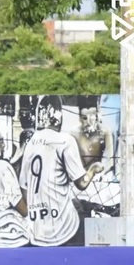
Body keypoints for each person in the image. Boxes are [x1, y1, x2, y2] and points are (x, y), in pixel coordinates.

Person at [19, 95, 103, 247]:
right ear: (59, 116)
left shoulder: (31, 142)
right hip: (63, 229)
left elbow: (24, 188)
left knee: (77, 203)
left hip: (37, 229)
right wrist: (93, 169)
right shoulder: (65, 140)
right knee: (87, 218)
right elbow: (82, 183)